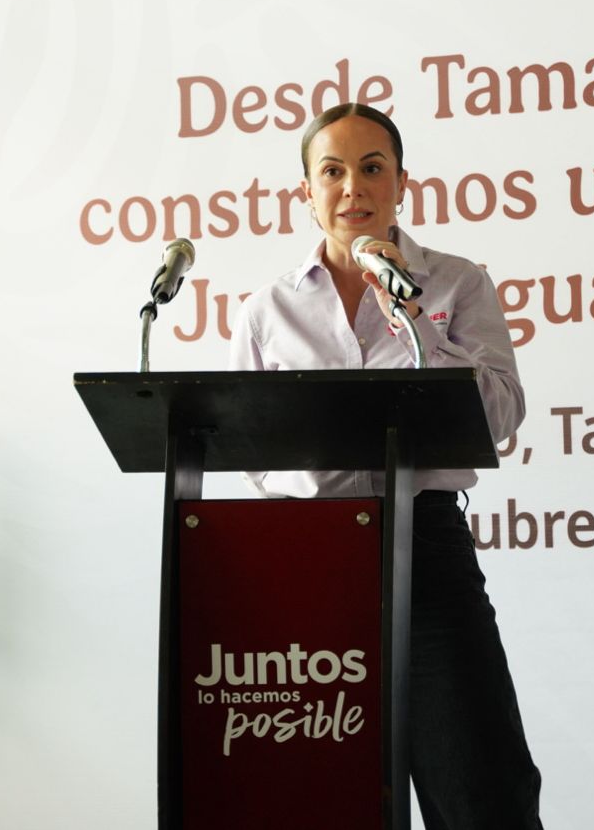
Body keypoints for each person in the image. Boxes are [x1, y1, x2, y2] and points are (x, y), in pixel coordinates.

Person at [228, 102, 544, 829]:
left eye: (372, 168)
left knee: (480, 786)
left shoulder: (457, 283)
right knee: (328, 792)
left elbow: (500, 413)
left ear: (401, 183)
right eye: (332, 171)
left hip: (424, 549)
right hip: (310, 560)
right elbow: (251, 452)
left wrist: (411, 316)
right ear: (306, 192)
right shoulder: (267, 310)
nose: (353, 187)